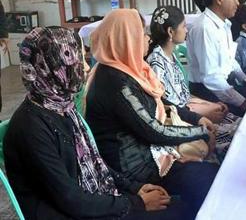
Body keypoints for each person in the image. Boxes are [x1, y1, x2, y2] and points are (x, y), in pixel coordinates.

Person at [4, 27, 189, 219]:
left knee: (181, 206)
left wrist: (135, 188)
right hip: (70, 212)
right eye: (78, 59)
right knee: (180, 212)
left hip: (90, 202)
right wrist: (136, 203)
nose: (85, 67)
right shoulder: (31, 127)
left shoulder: (62, 106)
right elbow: (70, 199)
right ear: (51, 66)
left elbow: (93, 164)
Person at [85, 9, 219, 219]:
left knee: (209, 172)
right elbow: (153, 130)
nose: (148, 38)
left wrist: (195, 118)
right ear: (126, 39)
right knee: (207, 180)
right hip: (135, 171)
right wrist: (200, 131)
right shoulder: (114, 81)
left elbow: (159, 101)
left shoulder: (128, 69)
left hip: (150, 154)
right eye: (141, 33)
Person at [147, 5, 242, 161]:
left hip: (186, 111)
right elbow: (167, 106)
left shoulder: (170, 55)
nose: (187, 30)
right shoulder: (157, 63)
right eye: (184, 26)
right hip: (178, 122)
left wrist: (209, 104)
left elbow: (183, 93)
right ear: (171, 32)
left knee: (238, 122)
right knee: (234, 137)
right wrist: (201, 114)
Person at [187, 0, 246, 117]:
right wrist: (242, 102)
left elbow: (229, 60)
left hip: (225, 85)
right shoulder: (205, 28)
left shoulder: (224, 24)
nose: (238, 3)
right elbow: (211, 78)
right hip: (209, 92)